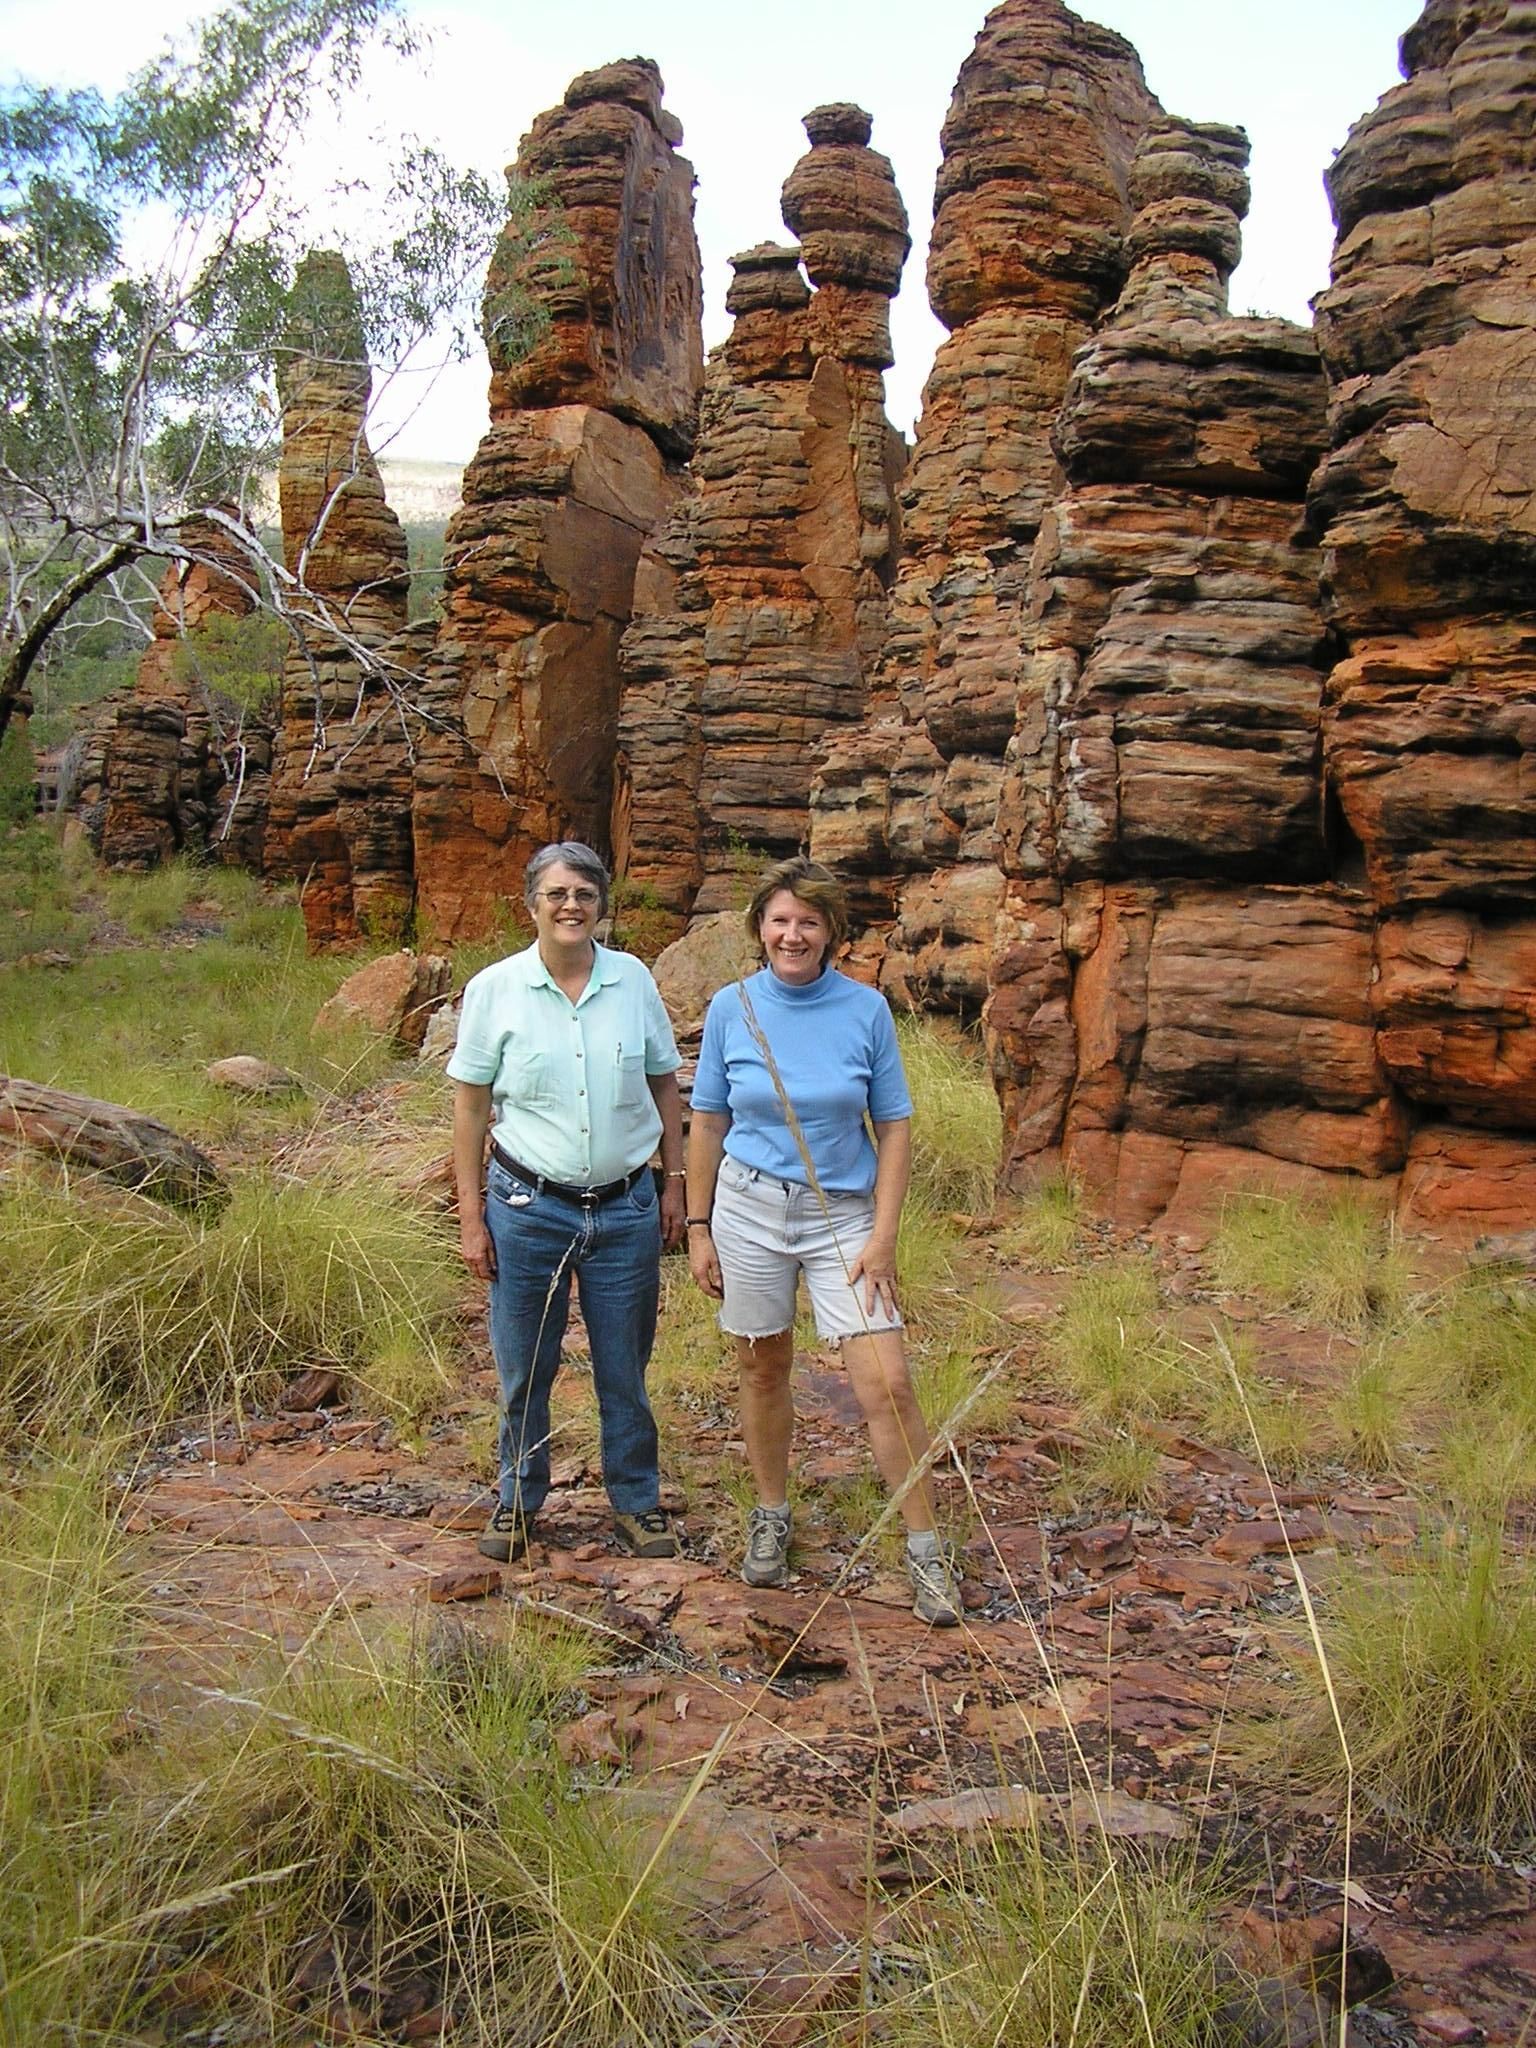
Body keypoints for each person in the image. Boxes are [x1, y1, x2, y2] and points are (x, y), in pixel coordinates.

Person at [685, 857, 961, 1627]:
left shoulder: (865, 1010)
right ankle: (771, 1513)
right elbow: (708, 1119)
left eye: (808, 921)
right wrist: (699, 1226)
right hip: (748, 1208)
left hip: (843, 1214)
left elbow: (893, 1125)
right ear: (760, 928)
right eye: (779, 920)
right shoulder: (732, 1007)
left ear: (832, 931)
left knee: (887, 1382)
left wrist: (884, 1237)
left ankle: (926, 1549)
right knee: (762, 1364)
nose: (793, 934)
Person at [448, 841, 685, 1564]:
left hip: (626, 1208)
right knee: (525, 1367)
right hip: (528, 1208)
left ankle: (637, 1503)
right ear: (532, 905)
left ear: (601, 904)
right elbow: (471, 1108)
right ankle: (518, 1501)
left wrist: (675, 1184)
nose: (571, 906)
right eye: (557, 894)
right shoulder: (495, 989)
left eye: (584, 893)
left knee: (624, 1368)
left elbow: (664, 1084)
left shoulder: (632, 980)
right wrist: (470, 1217)